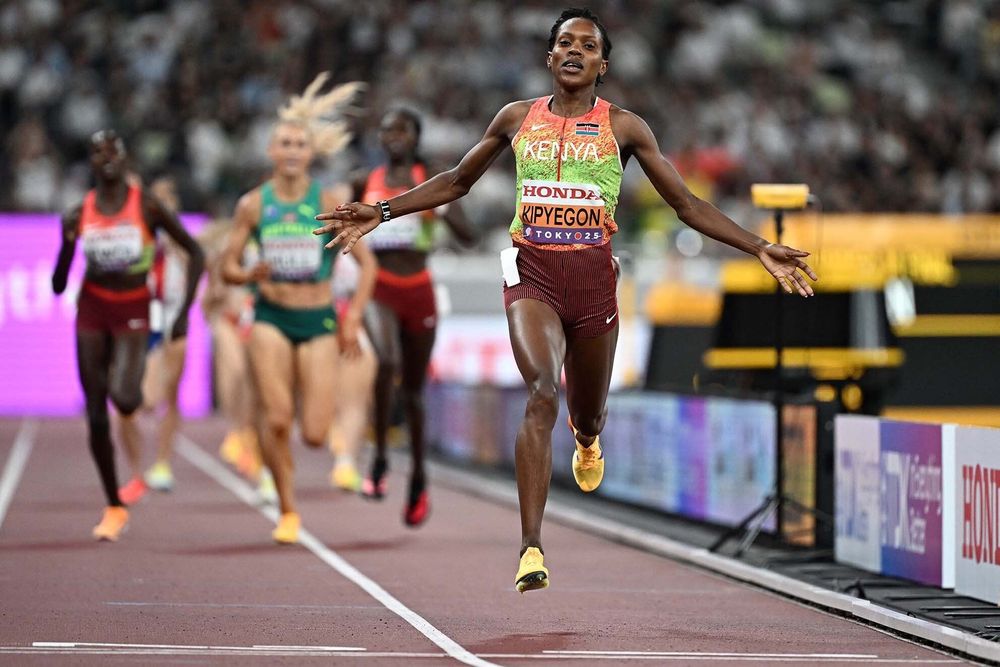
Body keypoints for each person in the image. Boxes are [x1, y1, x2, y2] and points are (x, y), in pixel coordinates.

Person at [314, 8, 818, 592]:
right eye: (564, 42)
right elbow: (456, 181)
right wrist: (381, 211)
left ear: (603, 65)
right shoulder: (515, 119)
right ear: (549, 57)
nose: (574, 50)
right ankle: (531, 547)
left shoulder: (625, 128)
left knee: (586, 412)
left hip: (593, 284)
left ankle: (587, 440)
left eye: (588, 44)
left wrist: (757, 246)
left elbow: (686, 205)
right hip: (533, 276)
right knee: (540, 392)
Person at [222, 73, 377, 545]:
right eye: (284, 143)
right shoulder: (253, 206)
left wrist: (351, 319)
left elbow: (367, 268)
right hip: (270, 315)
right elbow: (227, 264)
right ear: (271, 151)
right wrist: (248, 276)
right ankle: (287, 510)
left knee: (312, 432)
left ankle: (311, 460)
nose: (291, 151)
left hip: (318, 320)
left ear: (310, 154)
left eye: (299, 144)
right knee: (274, 417)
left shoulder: (327, 202)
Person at [52, 130, 204, 541]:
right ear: (90, 162)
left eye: (112, 151)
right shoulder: (79, 211)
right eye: (96, 152)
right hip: (92, 309)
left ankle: (130, 397)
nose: (105, 158)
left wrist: (184, 311)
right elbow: (59, 284)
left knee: (126, 398)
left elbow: (197, 252)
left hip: (135, 308)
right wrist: (67, 244)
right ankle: (113, 505)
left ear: (124, 157)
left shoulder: (147, 205)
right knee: (97, 414)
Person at [356, 108, 476, 526]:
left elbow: (468, 235)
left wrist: (440, 208)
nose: (393, 136)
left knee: (413, 391)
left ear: (416, 136)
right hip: (380, 288)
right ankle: (380, 456)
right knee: (385, 359)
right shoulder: (365, 182)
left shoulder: (433, 177)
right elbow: (347, 229)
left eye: (402, 129)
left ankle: (419, 478)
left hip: (419, 290)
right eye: (386, 128)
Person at [326, 251, 378, 492]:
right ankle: (333, 431)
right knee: (326, 397)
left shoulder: (369, 240)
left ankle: (345, 463)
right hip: (319, 318)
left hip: (356, 319)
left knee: (356, 398)